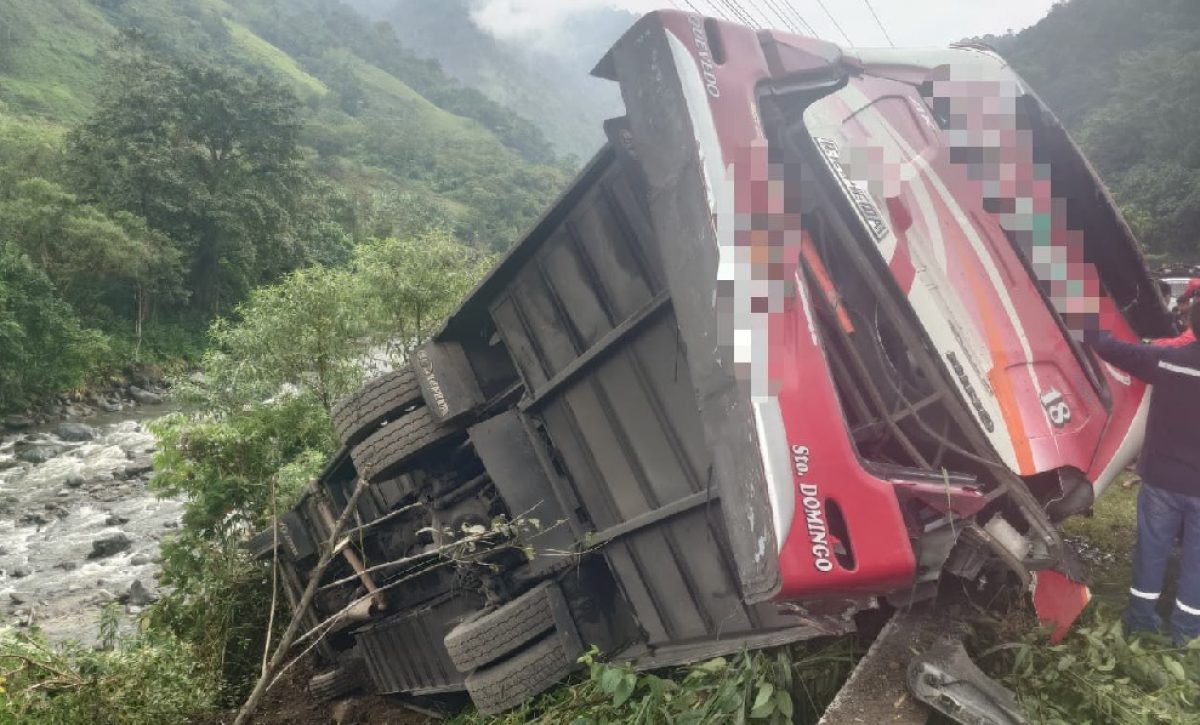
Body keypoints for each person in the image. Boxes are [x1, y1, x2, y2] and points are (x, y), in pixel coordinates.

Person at [1089, 303, 1200, 646]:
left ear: (1192, 324)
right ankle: (1187, 633)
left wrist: (1076, 311)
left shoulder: (1167, 361)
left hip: (1161, 481)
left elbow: (1109, 348)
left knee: (1151, 551)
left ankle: (1140, 621)